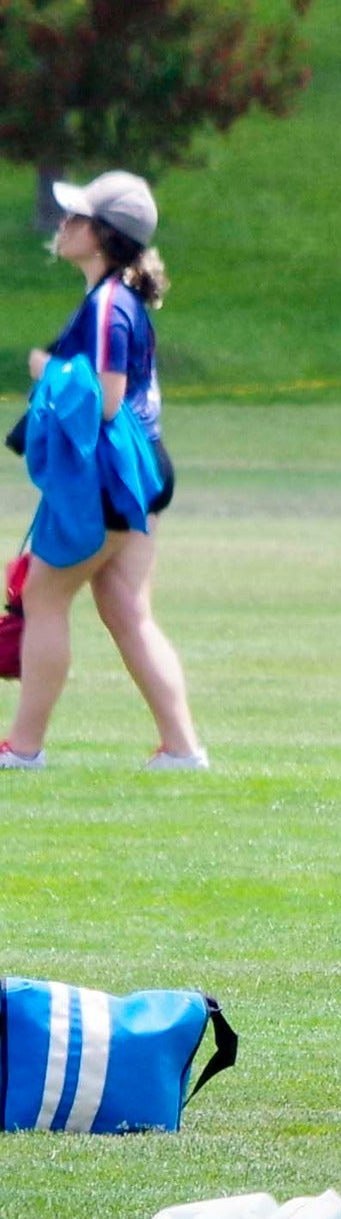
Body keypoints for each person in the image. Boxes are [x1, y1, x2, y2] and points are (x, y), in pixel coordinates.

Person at [0, 170, 208, 771]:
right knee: (124, 608)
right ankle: (181, 749)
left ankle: (23, 747)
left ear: (105, 236)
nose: (62, 227)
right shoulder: (115, 297)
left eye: (75, 219)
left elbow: (107, 400)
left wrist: (47, 370)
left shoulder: (109, 304)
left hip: (115, 476)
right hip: (139, 470)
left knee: (43, 595)